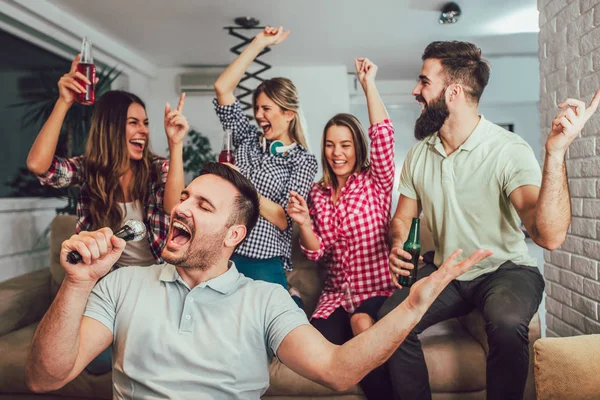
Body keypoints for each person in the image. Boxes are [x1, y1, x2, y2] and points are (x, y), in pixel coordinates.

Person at [25, 162, 492, 399]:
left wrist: (412, 307)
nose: (180, 208)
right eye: (185, 197)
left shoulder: (266, 300)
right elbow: (46, 378)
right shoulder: (120, 285)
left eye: (202, 206)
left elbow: (338, 371)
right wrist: (78, 283)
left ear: (234, 235)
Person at [380, 40, 600, 400]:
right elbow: (402, 218)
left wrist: (555, 154)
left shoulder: (507, 149)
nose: (415, 91)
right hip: (445, 272)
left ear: (452, 92)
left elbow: (549, 236)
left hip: (505, 270)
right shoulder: (420, 155)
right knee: (391, 323)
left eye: (423, 82)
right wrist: (397, 244)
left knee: (508, 323)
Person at [26, 54, 189, 374]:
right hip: (108, 285)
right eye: (133, 122)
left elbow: (174, 209)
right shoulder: (89, 170)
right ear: (112, 128)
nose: (143, 130)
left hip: (157, 282)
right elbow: (39, 166)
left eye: (145, 123)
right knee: (97, 363)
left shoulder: (158, 168)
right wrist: (63, 103)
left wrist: (177, 145)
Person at [287, 57, 396, 399]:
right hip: (336, 296)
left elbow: (384, 137)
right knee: (314, 343)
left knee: (361, 324)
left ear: (357, 147)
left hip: (377, 292)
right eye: (331, 145)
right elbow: (318, 251)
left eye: (345, 145)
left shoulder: (374, 182)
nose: (337, 153)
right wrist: (304, 223)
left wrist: (368, 86)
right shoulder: (318, 193)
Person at [213, 25, 318, 292]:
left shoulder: (302, 160)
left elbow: (283, 218)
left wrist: (240, 182)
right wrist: (259, 43)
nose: (259, 115)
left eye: (267, 108)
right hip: (225, 253)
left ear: (288, 114)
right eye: (256, 108)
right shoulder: (248, 139)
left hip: (263, 262)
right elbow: (223, 88)